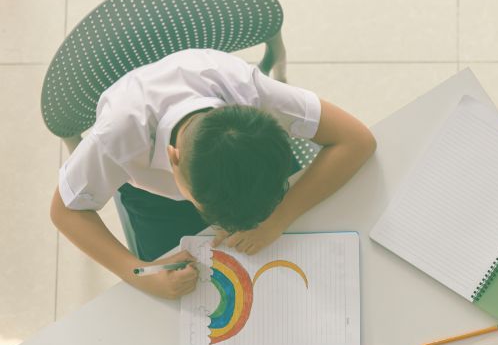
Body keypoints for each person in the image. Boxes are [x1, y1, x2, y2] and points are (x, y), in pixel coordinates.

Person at [50, 48, 376, 300]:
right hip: (155, 200)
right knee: (188, 291)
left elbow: (357, 140)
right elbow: (65, 211)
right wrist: (139, 274)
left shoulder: (248, 91)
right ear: (173, 159)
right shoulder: (119, 134)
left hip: (245, 174)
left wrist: (280, 217)